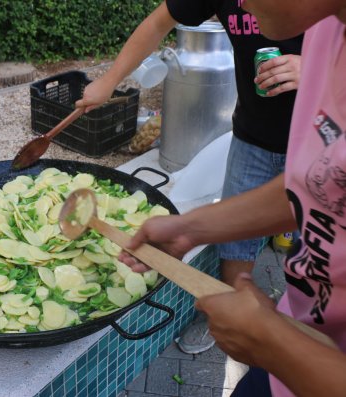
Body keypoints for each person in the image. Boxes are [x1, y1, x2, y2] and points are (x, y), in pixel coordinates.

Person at [119, 0, 346, 395]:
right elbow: (323, 183)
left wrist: (275, 343)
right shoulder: (328, 31)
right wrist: (190, 228)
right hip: (300, 343)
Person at [77, 0, 302, 355]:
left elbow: (314, 198)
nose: (248, 11)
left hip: (319, 139)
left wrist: (317, 70)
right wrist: (108, 81)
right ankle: (232, 317)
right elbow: (156, 23)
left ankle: (292, 317)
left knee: (313, 253)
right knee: (235, 248)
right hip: (252, 136)